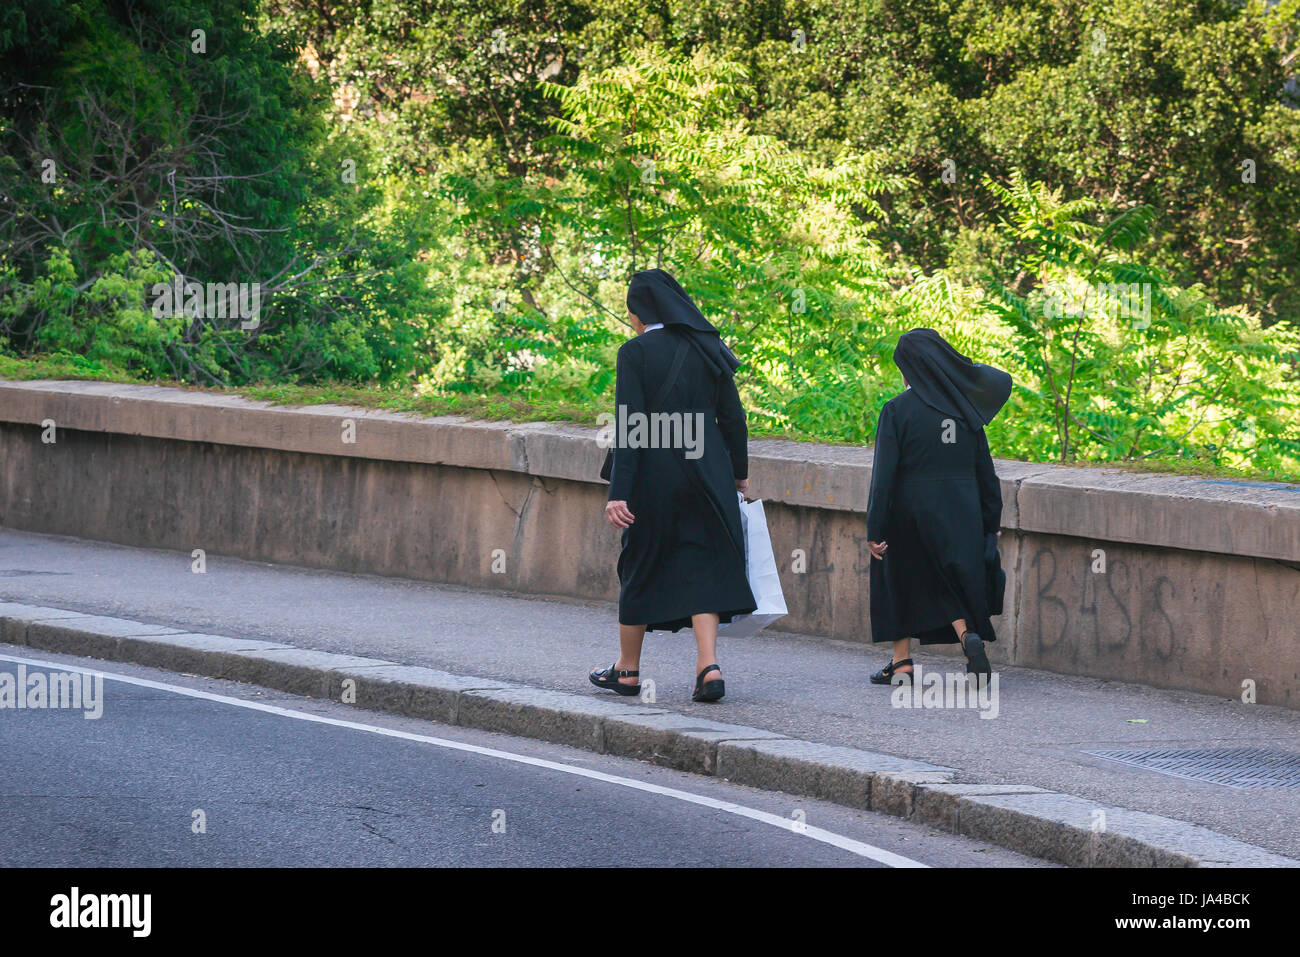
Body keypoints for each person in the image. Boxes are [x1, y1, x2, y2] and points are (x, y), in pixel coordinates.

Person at [589, 269, 755, 703]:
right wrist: (738, 473)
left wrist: (618, 492)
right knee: (705, 564)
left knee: (641, 563)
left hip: (655, 474)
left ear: (641, 312)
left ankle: (627, 671)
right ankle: (708, 666)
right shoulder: (709, 348)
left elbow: (631, 425)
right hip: (710, 472)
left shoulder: (635, 353)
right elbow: (733, 419)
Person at [865, 328, 1012, 685]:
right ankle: (967, 638)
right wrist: (991, 520)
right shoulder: (965, 411)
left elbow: (883, 475)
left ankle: (901, 663)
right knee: (950, 579)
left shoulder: (897, 410)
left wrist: (875, 529)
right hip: (962, 510)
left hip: (909, 511)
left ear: (912, 368)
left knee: (897, 577)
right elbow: (985, 472)